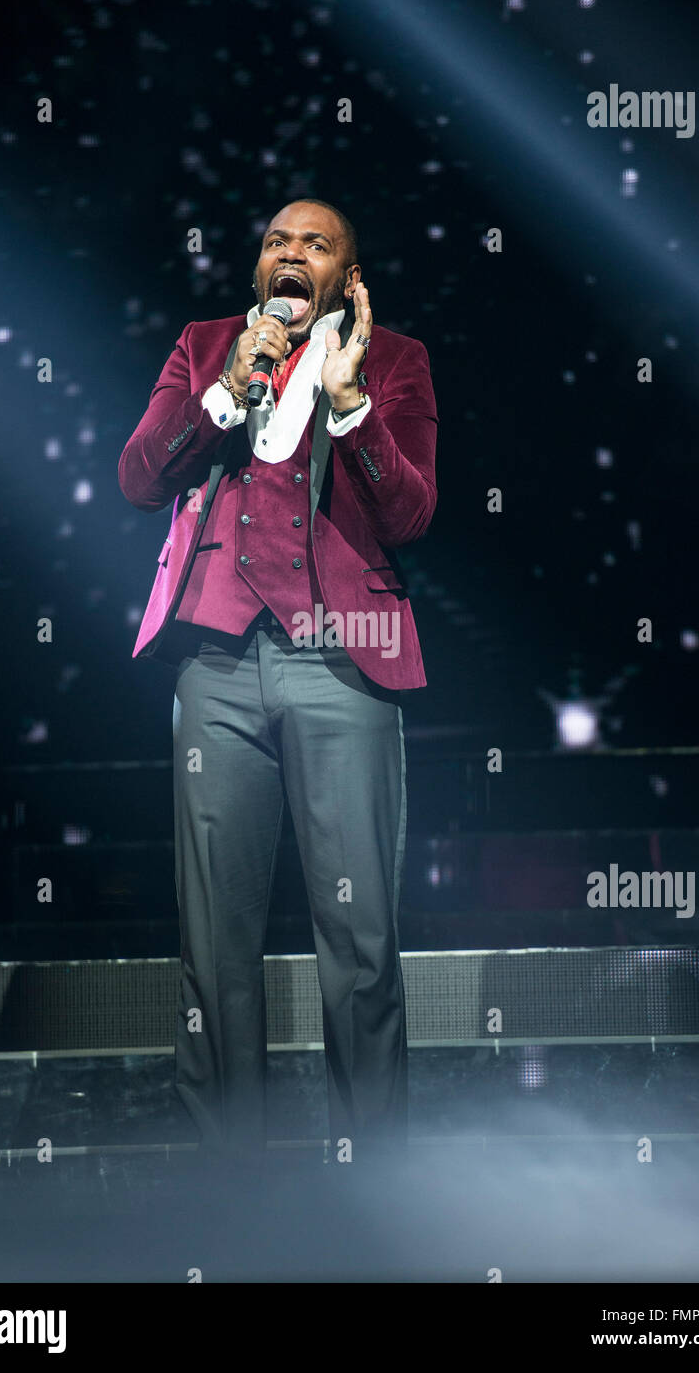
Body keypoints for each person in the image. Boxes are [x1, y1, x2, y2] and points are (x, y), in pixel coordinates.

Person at [118, 199, 438, 1172]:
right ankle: (231, 1178)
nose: (290, 253)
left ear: (347, 276)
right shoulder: (205, 345)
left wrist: (351, 405)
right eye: (275, 242)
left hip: (342, 660)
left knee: (361, 936)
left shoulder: (393, 361)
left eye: (315, 244)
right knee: (215, 940)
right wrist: (224, 389)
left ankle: (376, 1176)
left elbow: (410, 514)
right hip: (216, 667)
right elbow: (139, 478)